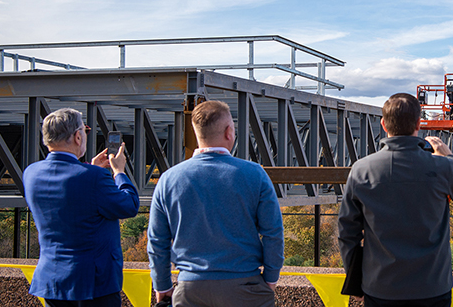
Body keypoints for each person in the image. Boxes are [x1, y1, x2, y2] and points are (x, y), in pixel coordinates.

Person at [338, 93, 453, 307]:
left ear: (384, 124)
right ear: (418, 123)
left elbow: (347, 231)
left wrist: (356, 280)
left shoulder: (362, 170)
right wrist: (450, 159)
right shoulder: (441, 167)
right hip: (432, 287)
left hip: (380, 287)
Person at [147, 100, 284, 307]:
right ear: (229, 132)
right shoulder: (255, 174)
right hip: (246, 287)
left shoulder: (168, 179)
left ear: (197, 133)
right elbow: (273, 232)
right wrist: (271, 278)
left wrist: (162, 285)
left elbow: (157, 240)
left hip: (190, 289)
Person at [23, 108, 139, 307]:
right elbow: (129, 205)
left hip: (52, 280)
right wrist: (119, 172)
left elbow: (68, 201)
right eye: (84, 131)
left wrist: (91, 168)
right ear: (77, 136)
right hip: (93, 284)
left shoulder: (31, 173)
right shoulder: (93, 178)